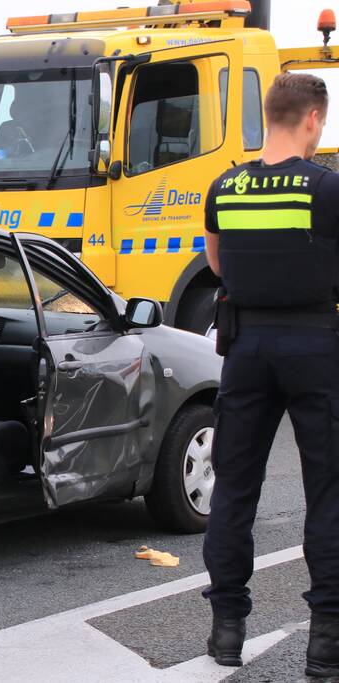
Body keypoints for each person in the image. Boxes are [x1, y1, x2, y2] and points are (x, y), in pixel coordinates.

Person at [202, 73, 339, 677]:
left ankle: (227, 629)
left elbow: (217, 260)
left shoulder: (224, 186)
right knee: (328, 492)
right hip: (316, 343)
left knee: (234, 487)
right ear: (313, 118)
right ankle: (327, 642)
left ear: (270, 114)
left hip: (246, 347)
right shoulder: (327, 188)